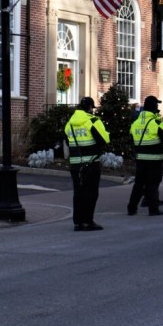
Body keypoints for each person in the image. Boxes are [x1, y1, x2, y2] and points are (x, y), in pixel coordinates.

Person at [64, 96, 111, 231]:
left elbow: (68, 142)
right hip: (91, 164)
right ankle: (88, 221)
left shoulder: (69, 124)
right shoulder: (92, 121)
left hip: (75, 165)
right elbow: (104, 139)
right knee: (91, 193)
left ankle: (78, 222)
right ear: (90, 108)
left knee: (78, 193)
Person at [127, 95, 163, 216]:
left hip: (140, 159)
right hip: (154, 159)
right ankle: (153, 209)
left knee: (139, 184)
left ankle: (131, 208)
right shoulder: (156, 122)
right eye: (157, 104)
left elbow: (131, 139)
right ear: (154, 107)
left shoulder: (136, 123)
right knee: (153, 184)